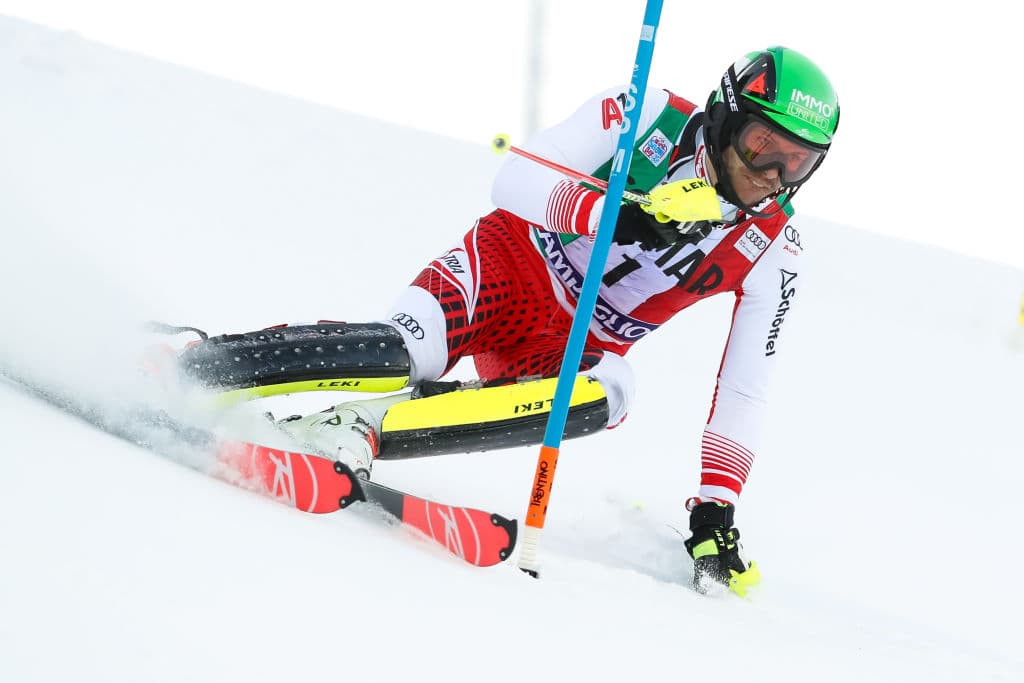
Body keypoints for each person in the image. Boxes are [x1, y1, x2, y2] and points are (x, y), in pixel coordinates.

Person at [178, 46, 839, 594]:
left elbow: (747, 383)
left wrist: (717, 502)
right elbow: (515, 178)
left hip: (565, 342)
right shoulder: (645, 115)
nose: (774, 176)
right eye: (762, 147)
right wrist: (605, 212)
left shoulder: (776, 247)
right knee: (400, 353)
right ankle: (198, 363)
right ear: (727, 121)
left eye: (798, 162)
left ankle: (354, 428)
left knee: (613, 391)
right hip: (505, 264)